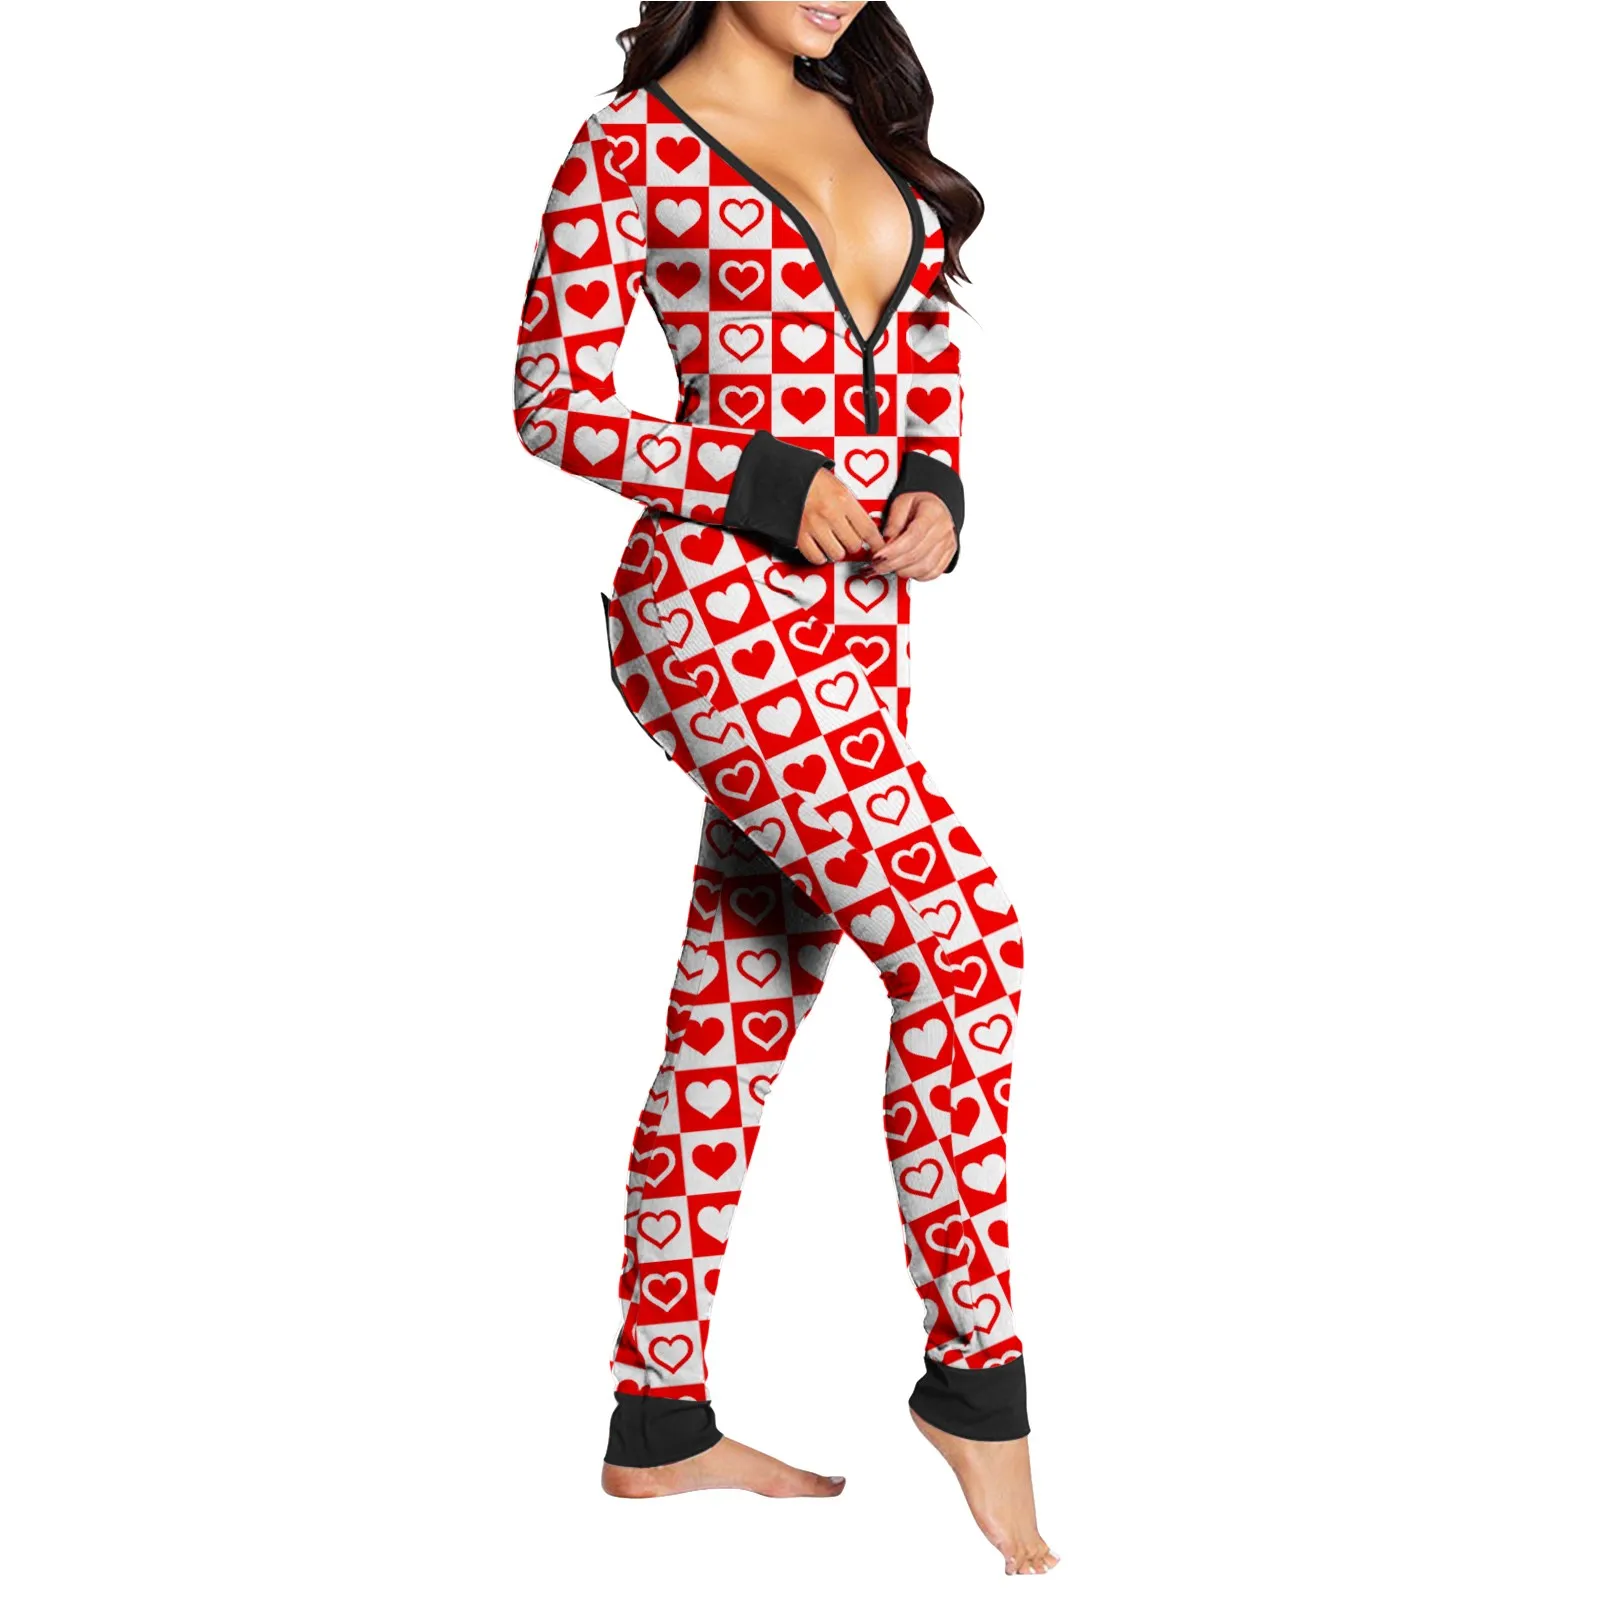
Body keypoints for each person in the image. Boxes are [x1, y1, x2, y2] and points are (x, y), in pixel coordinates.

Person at [514, 2, 1055, 1574]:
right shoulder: (629, 148)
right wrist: (757, 476)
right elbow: (551, 401)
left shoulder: (868, 120)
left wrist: (938, 492)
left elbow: (921, 345)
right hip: (712, 616)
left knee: (739, 1002)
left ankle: (657, 1417)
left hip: (861, 628)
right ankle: (977, 1378)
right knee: (965, 944)